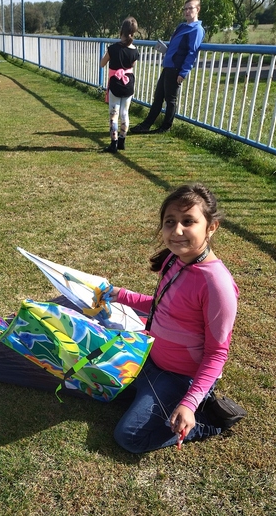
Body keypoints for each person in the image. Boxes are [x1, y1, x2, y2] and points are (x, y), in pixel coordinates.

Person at [105, 183, 244, 454]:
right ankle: (148, 392)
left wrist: (189, 403)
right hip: (150, 358)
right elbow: (163, 307)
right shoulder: (174, 259)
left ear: (211, 227)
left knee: (130, 436)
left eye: (188, 221)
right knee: (97, 380)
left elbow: (217, 353)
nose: (177, 230)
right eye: (170, 222)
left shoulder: (217, 285)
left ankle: (208, 418)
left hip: (181, 377)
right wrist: (119, 294)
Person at [130, 0, 204, 134]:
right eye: (185, 9)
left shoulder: (197, 29)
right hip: (168, 66)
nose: (187, 11)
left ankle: (165, 127)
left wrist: (183, 72)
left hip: (176, 68)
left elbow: (192, 52)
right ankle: (146, 125)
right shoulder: (182, 27)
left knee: (170, 99)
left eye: (190, 8)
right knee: (158, 97)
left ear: (197, 9)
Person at [99, 16, 139, 152]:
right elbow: (132, 64)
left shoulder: (113, 48)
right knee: (124, 113)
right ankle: (122, 141)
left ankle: (113, 143)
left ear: (121, 30)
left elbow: (102, 63)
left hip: (116, 83)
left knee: (113, 114)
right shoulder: (135, 50)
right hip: (128, 84)